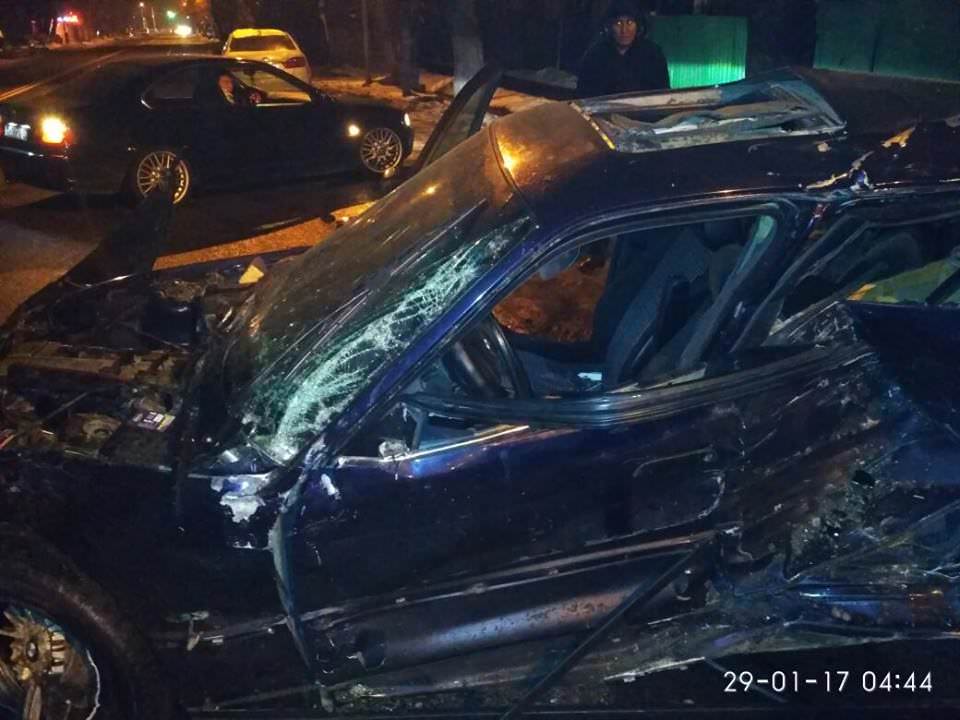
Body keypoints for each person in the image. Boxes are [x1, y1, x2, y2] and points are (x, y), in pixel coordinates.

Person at [577, 0, 669, 98]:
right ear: (609, 26)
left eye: (629, 22)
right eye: (618, 23)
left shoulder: (653, 54)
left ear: (638, 25)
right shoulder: (595, 55)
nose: (624, 30)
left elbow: (662, 93)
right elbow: (585, 95)